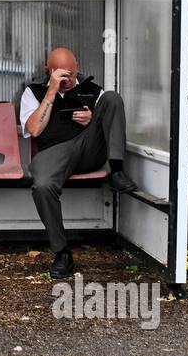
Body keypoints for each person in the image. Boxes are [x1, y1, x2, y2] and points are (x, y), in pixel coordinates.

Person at [20, 47, 137, 279]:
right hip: (53, 154)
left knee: (113, 98)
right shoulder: (33, 92)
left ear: (78, 68)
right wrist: (52, 91)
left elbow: (110, 118)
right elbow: (33, 129)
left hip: (88, 149)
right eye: (61, 75)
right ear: (49, 71)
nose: (68, 80)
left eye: (71, 74)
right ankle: (61, 252)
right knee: (42, 187)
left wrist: (93, 119)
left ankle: (116, 171)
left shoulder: (93, 90)